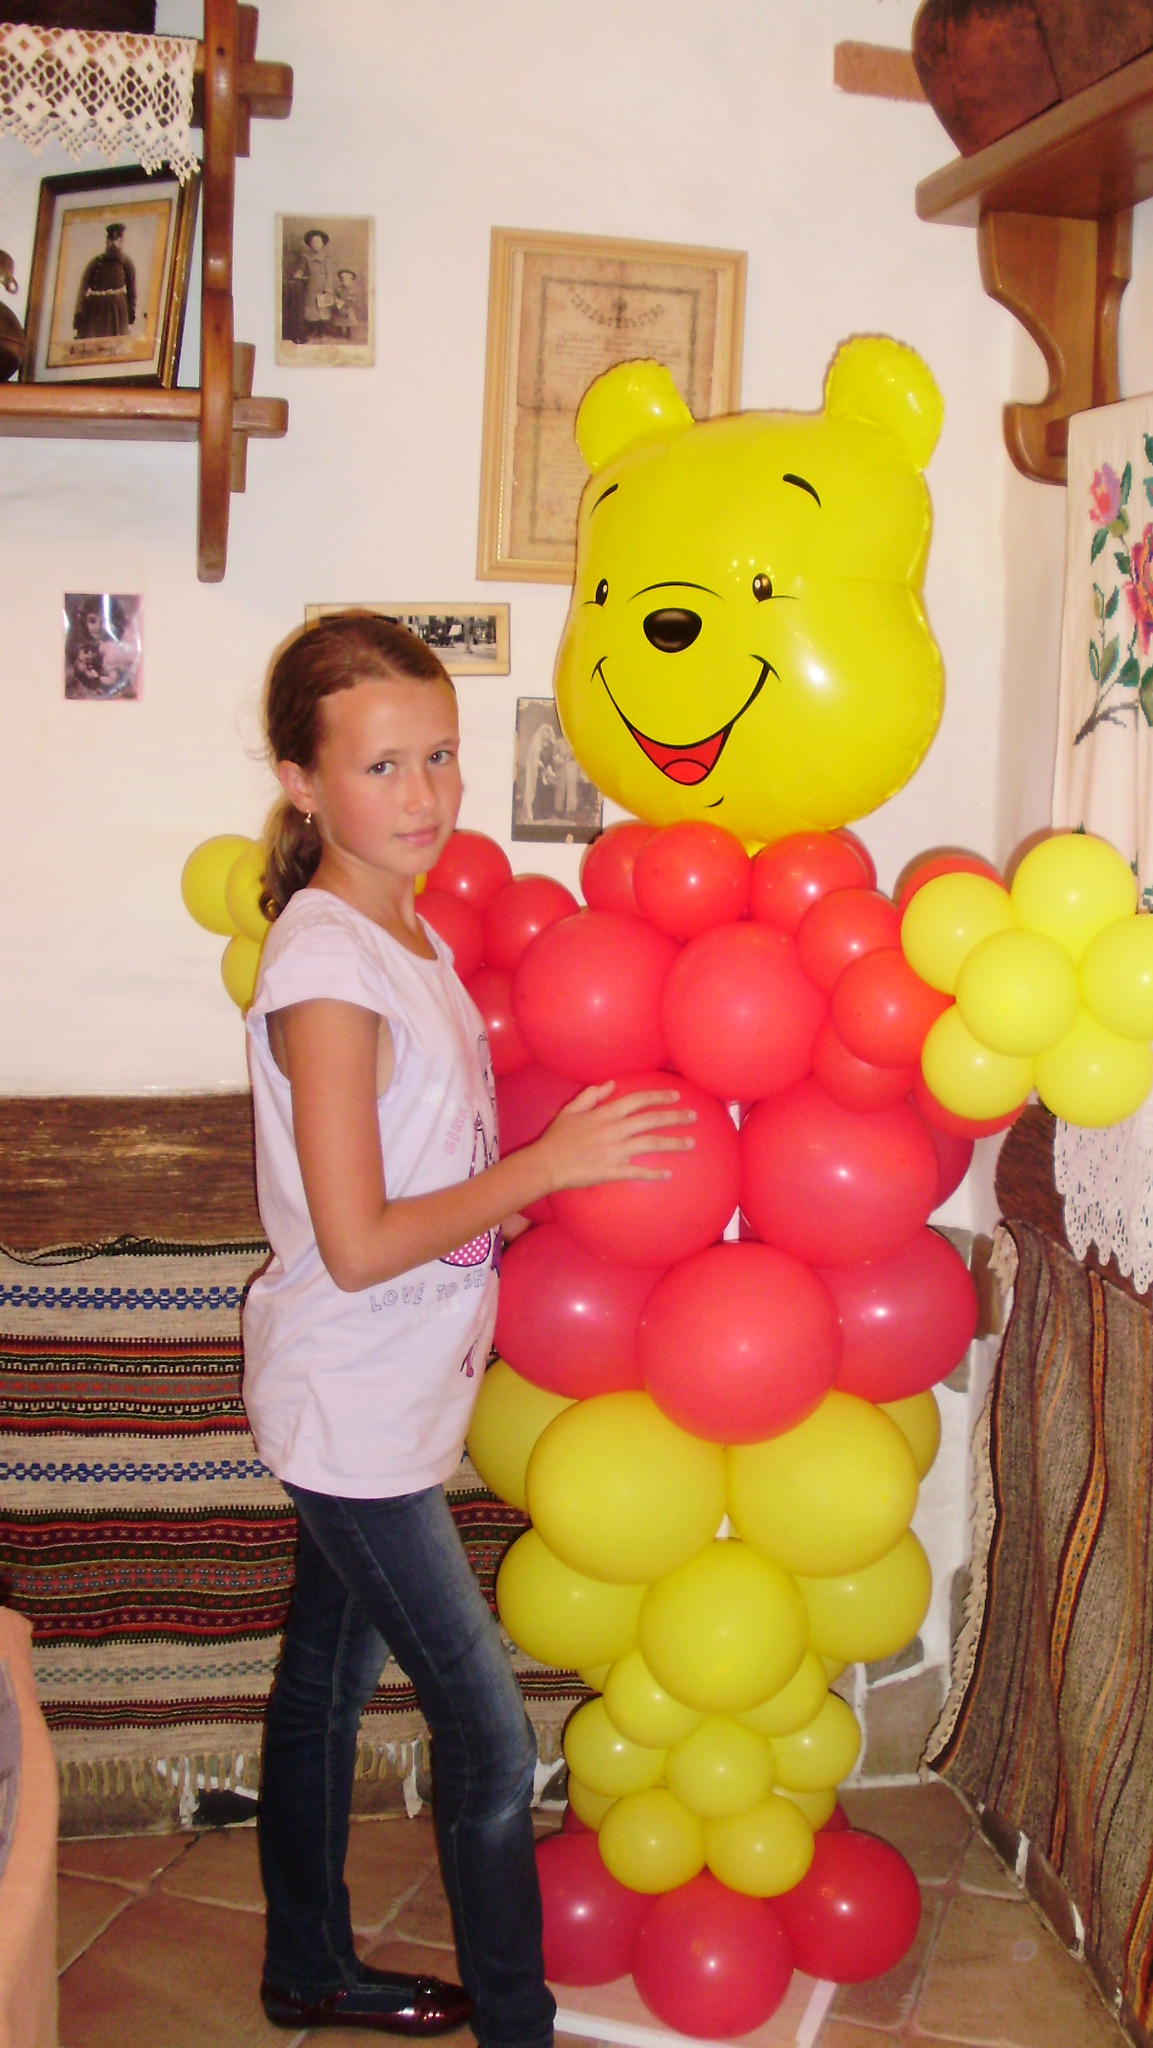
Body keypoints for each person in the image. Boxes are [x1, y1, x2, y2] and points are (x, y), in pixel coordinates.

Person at [242, 612, 693, 2043]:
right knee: (489, 1736)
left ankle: (308, 1967)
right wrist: (547, 1170)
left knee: (323, 1687)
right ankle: (518, 2023)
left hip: (389, 1390)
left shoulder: (404, 931)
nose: (427, 793)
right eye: (383, 766)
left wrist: (526, 1191)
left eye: (439, 755)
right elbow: (362, 1240)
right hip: (351, 1406)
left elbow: (427, 1169)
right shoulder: (329, 969)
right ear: (304, 782)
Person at [73, 221, 136, 340]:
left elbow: (132, 290)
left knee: (117, 343)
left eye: (117, 241)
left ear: (121, 242)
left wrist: (131, 311)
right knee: (92, 342)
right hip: (95, 310)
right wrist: (79, 312)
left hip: (117, 310)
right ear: (107, 242)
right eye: (111, 241)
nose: (114, 244)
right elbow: (82, 289)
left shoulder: (126, 263)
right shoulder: (95, 263)